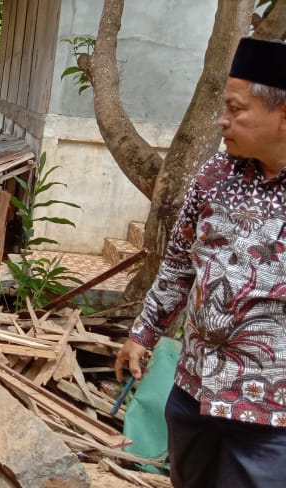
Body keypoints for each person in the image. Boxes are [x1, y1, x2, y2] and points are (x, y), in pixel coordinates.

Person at [114, 37, 286, 487]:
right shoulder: (215, 176)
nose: (222, 120)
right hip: (194, 390)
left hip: (271, 419)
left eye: (236, 108)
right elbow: (178, 266)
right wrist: (143, 334)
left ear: (283, 115)